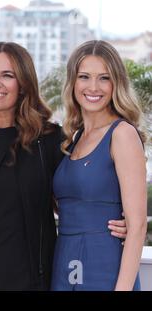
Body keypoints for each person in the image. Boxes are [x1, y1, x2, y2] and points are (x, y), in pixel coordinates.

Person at [0, 42, 128, 290]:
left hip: (30, 280)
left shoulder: (50, 139)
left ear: (24, 84)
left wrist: (117, 222)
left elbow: (72, 201)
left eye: (8, 75)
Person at [51, 40, 147, 291]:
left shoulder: (122, 134)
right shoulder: (73, 138)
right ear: (73, 83)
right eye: (84, 77)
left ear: (116, 84)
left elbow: (137, 226)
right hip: (65, 260)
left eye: (104, 78)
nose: (93, 87)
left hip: (103, 264)